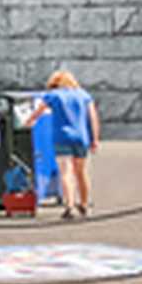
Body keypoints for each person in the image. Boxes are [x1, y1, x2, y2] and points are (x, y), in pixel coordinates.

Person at [29, 70, 100, 220]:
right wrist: (95, 139)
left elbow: (39, 111)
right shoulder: (83, 95)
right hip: (81, 137)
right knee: (81, 172)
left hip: (61, 136)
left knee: (66, 172)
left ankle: (70, 206)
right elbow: (92, 117)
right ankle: (85, 204)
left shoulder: (53, 95)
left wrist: (29, 121)